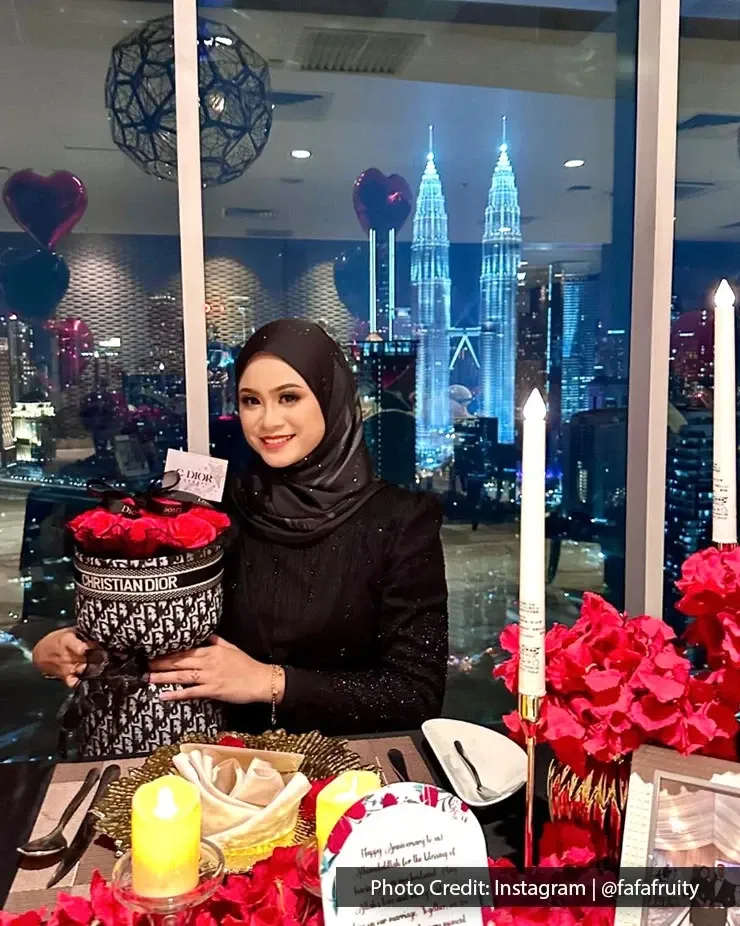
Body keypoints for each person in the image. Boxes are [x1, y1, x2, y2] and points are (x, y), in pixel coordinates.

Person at [32, 319, 449, 738]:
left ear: (331, 397)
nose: (268, 421)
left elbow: (415, 694)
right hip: (217, 755)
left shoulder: (401, 520)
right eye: (251, 401)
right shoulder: (213, 504)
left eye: (289, 397)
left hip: (343, 763)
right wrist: (69, 648)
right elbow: (158, 629)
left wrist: (270, 682)